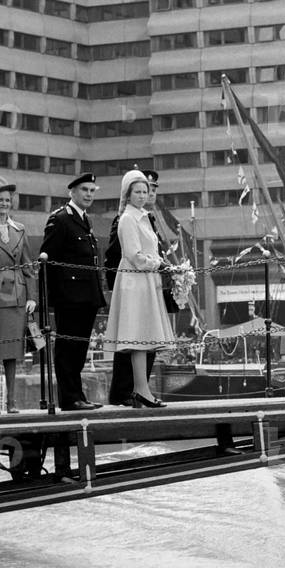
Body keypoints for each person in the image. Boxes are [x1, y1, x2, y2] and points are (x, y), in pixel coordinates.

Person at [104, 169, 177, 406]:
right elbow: (134, 255)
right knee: (137, 337)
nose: (142, 195)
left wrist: (157, 265)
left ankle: (142, 388)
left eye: (145, 191)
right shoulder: (128, 218)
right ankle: (140, 389)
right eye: (138, 191)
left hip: (145, 280)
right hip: (135, 280)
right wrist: (160, 264)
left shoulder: (142, 216)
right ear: (128, 193)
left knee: (142, 337)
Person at [40, 173, 106, 411]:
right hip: (69, 297)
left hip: (86, 295)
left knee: (79, 348)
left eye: (92, 190)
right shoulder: (61, 219)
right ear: (72, 192)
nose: (89, 194)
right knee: (67, 349)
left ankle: (77, 395)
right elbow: (48, 259)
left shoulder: (84, 219)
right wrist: (51, 299)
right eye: (84, 190)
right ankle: (69, 398)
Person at [0, 176, 36, 414]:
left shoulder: (20, 229)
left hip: (17, 297)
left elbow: (28, 265)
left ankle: (11, 402)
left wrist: (32, 296)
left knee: (12, 352)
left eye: (7, 200)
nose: (4, 204)